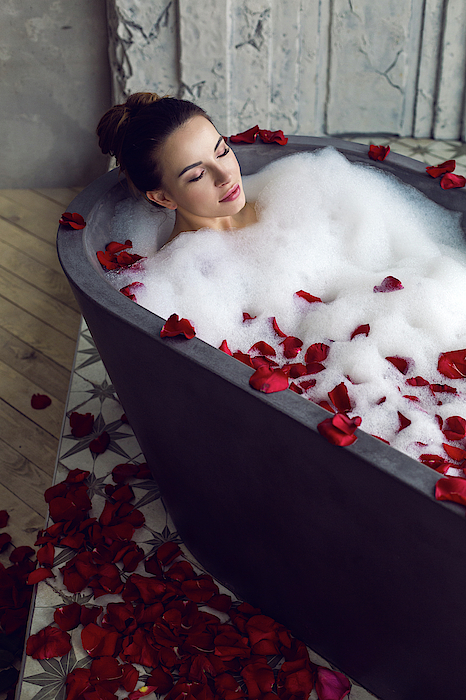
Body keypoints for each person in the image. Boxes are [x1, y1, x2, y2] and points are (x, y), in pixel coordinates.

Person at [97, 92, 257, 244]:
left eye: (222, 152)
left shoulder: (271, 212)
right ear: (163, 198)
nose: (225, 176)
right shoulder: (180, 269)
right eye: (198, 175)